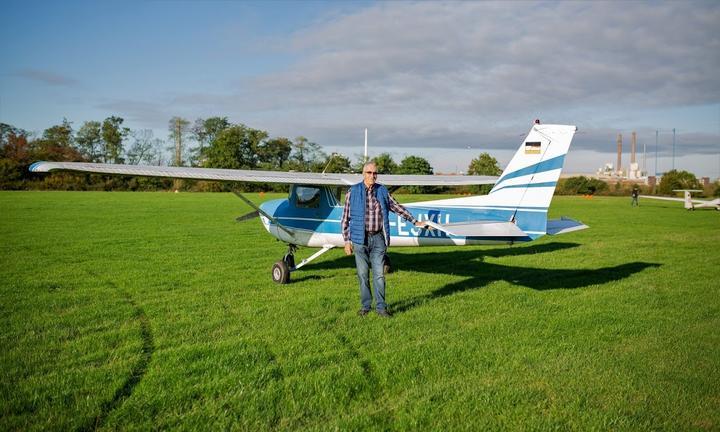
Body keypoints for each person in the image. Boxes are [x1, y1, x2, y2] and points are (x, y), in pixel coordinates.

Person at [341, 161, 427, 318]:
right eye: (369, 173)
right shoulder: (352, 192)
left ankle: (381, 308)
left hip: (379, 238)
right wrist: (347, 241)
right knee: (362, 274)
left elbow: (397, 207)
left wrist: (415, 222)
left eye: (375, 173)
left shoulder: (382, 191)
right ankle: (366, 306)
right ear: (363, 174)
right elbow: (345, 219)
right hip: (360, 239)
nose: (372, 176)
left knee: (379, 275)